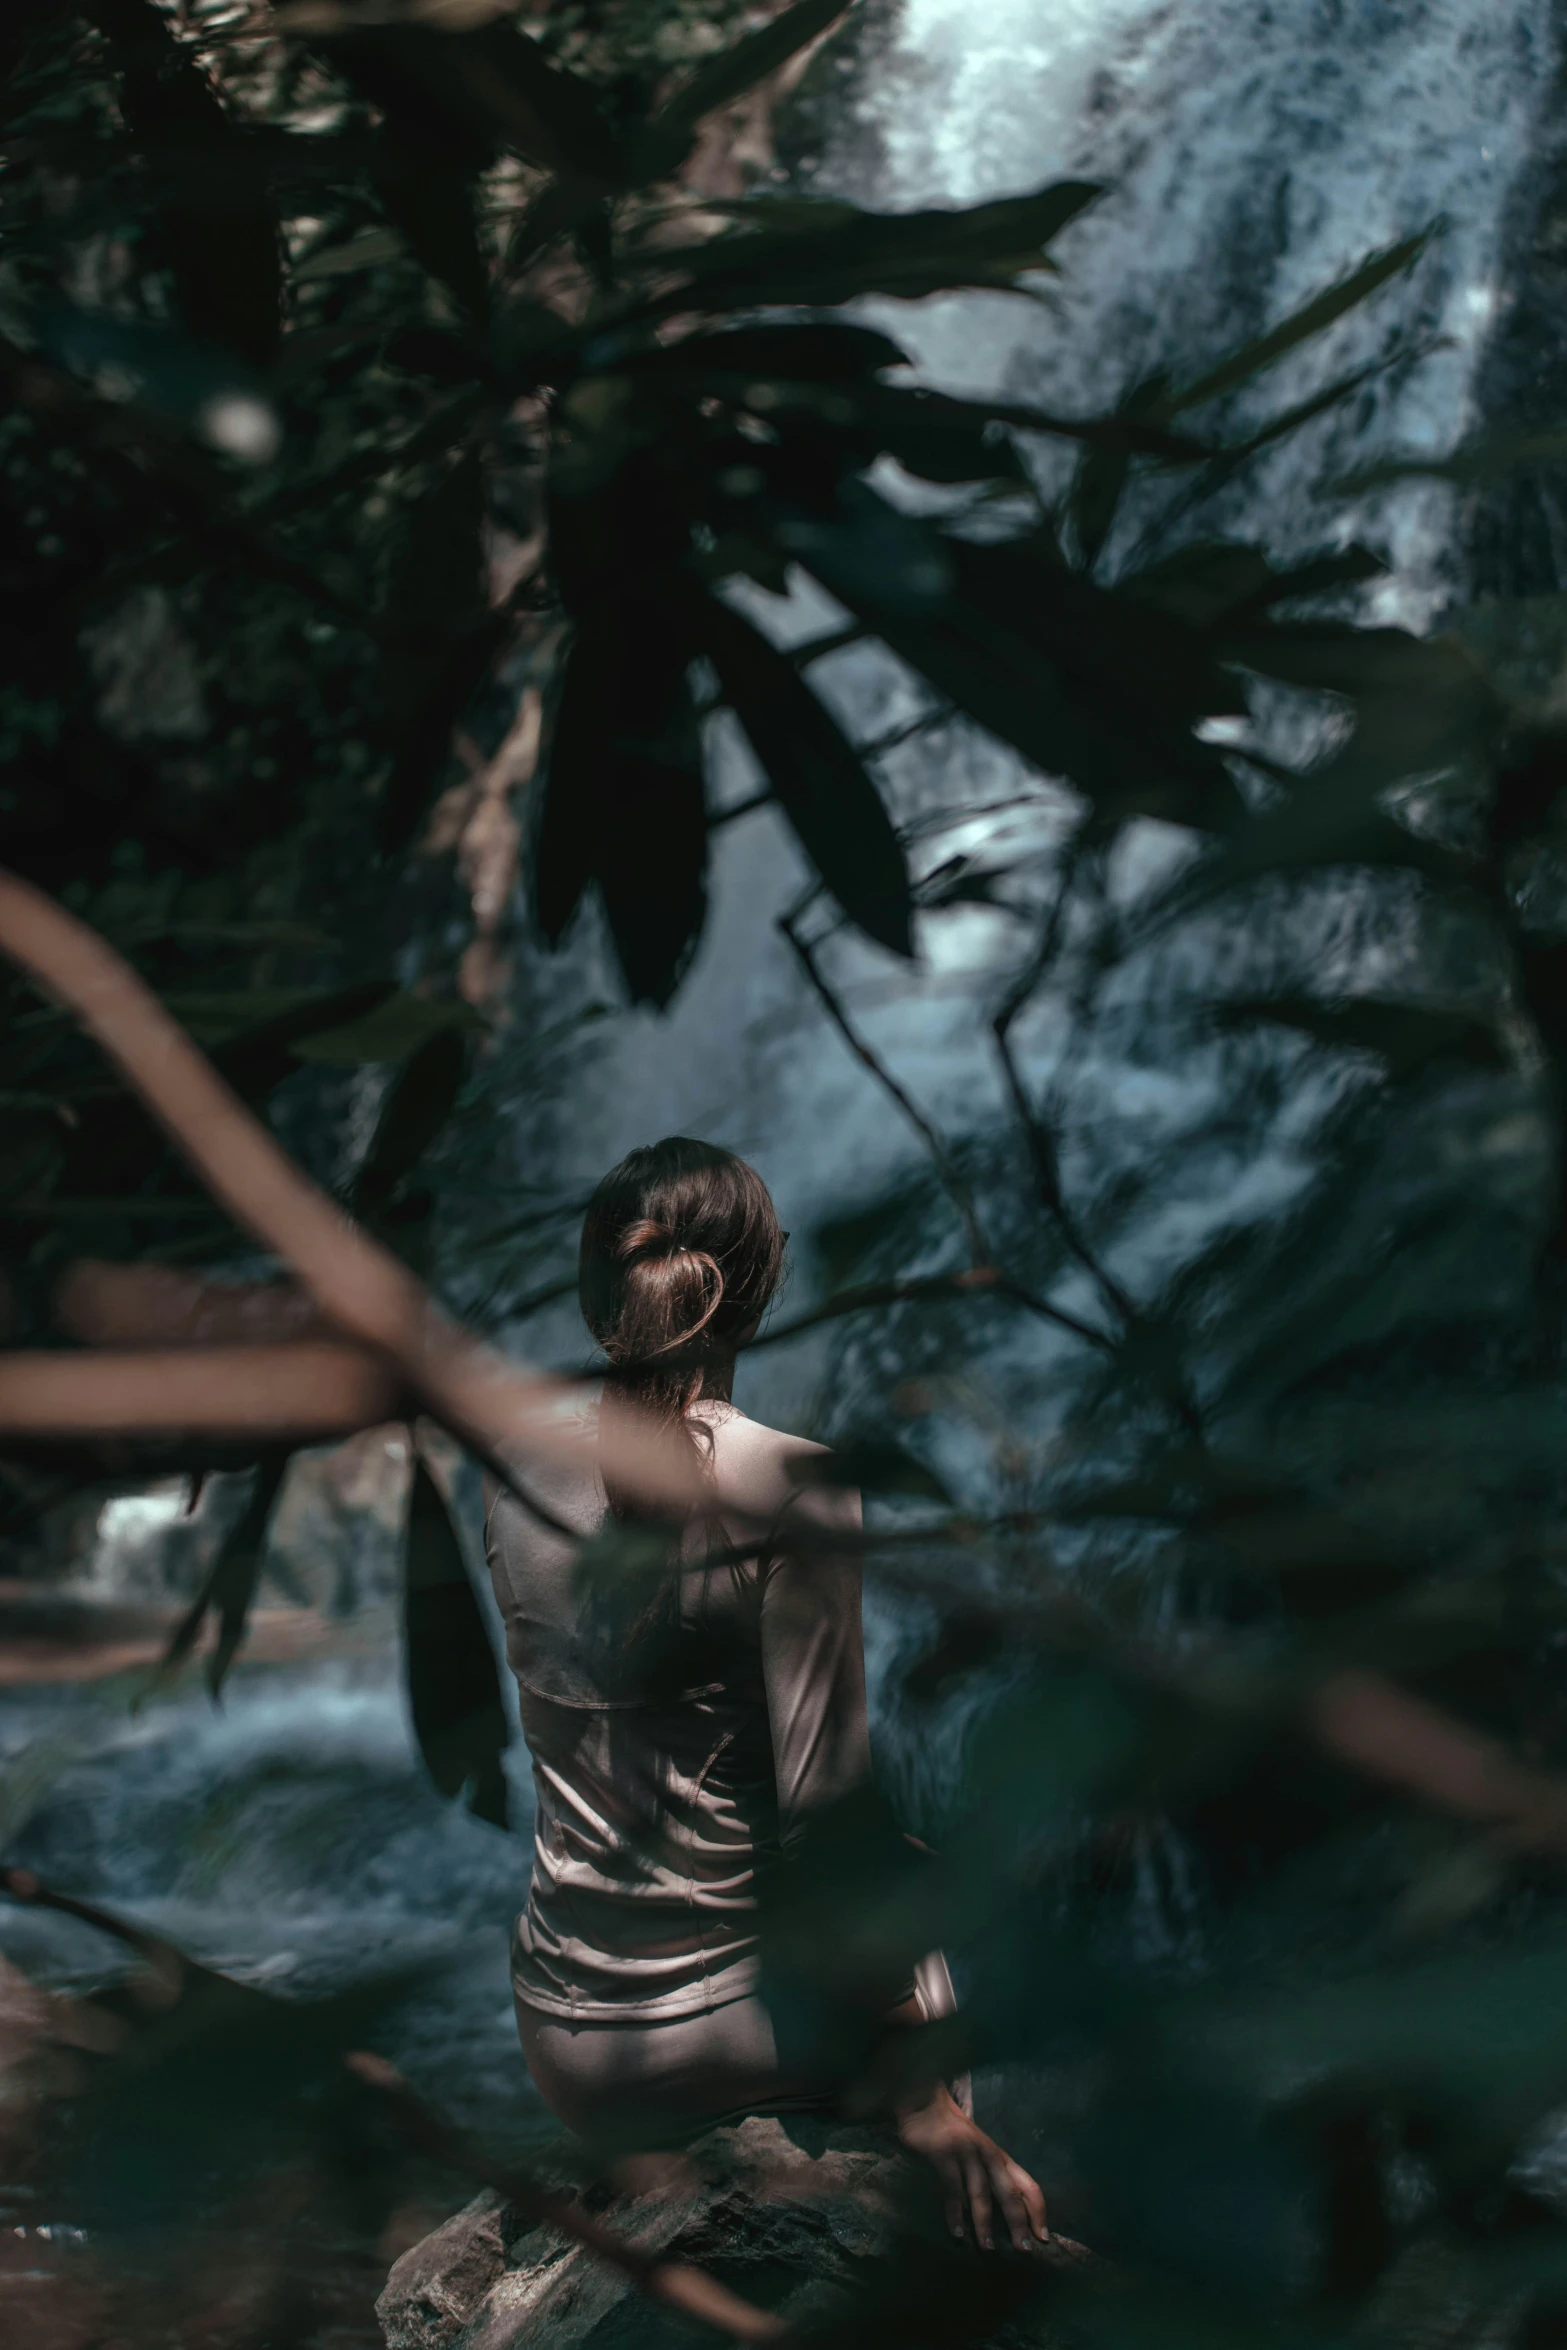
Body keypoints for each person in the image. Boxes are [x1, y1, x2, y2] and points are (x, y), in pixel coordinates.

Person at [485, 1136, 1047, 2252]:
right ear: (760, 1279)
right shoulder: (795, 1487)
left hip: (567, 2037)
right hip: (739, 2043)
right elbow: (821, 1830)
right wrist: (925, 2108)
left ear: (601, 1289)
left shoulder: (507, 1465)